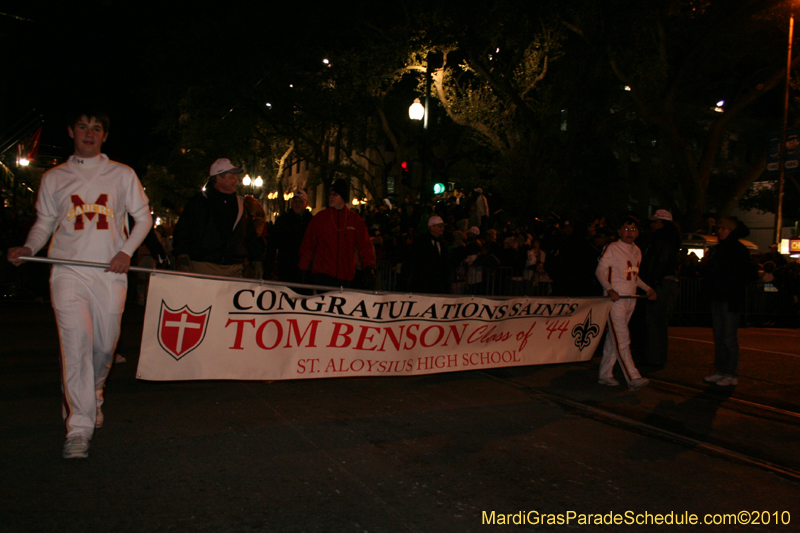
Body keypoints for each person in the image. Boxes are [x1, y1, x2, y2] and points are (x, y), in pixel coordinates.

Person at [7, 109, 152, 459]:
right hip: (67, 273)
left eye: (97, 128)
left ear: (105, 136)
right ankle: (78, 428)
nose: (89, 133)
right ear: (71, 131)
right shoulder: (55, 177)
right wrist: (29, 247)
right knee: (76, 348)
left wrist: (125, 252)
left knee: (103, 347)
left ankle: (95, 392)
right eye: (83, 127)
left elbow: (143, 218)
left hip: (109, 274)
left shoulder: (122, 174)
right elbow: (45, 223)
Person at [172, 158, 264, 278]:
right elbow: (183, 230)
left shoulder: (240, 205)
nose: (236, 181)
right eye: (232, 177)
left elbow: (250, 235)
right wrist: (182, 256)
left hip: (233, 268)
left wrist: (256, 260)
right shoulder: (199, 202)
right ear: (218, 178)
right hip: (203, 267)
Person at [595, 216, 656, 390]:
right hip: (616, 301)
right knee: (622, 338)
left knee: (613, 338)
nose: (630, 233)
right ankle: (633, 377)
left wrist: (648, 289)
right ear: (619, 231)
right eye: (626, 229)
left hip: (630, 299)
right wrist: (609, 289)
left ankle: (605, 374)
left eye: (633, 229)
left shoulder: (637, 250)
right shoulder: (613, 248)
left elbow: (633, 275)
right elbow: (600, 270)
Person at [702, 216, 757, 387]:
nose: (720, 231)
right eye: (720, 228)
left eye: (724, 229)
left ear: (732, 231)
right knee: (719, 336)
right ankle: (721, 369)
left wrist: (735, 297)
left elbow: (743, 275)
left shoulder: (738, 250)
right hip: (718, 297)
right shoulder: (718, 249)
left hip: (729, 298)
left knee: (728, 336)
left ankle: (730, 372)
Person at [297, 179, 376, 288]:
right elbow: (308, 245)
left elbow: (364, 245)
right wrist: (303, 268)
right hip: (322, 276)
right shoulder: (320, 218)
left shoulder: (355, 220)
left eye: (335, 194)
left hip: (346, 277)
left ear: (343, 196)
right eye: (330, 194)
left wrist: (369, 267)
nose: (331, 197)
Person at [639, 209, 682, 370]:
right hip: (665, 282)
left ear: (661, 223)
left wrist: (652, 283)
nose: (653, 225)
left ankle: (654, 357)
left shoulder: (662, 239)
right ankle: (657, 356)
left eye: (655, 222)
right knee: (659, 321)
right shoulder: (670, 239)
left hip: (660, 283)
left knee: (654, 320)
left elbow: (659, 263)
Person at [264, 190, 312, 283]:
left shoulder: (312, 222)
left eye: (300, 201)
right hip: (286, 268)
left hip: (306, 269)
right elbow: (272, 245)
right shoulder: (283, 221)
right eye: (295, 201)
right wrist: (268, 268)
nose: (297, 204)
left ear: (306, 203)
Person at [405, 215, 451, 294]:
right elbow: (412, 261)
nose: (442, 228)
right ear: (432, 227)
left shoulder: (442, 242)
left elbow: (446, 261)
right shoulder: (421, 241)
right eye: (440, 226)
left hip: (438, 285)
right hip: (423, 284)